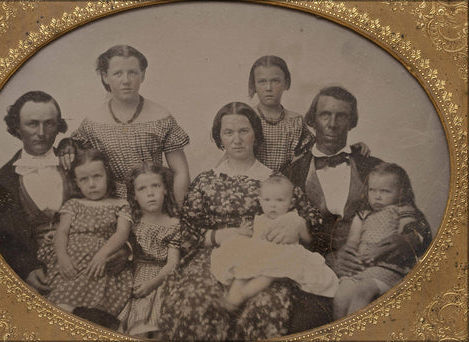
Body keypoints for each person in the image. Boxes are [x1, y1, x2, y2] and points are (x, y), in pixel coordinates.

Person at [160, 102, 330, 341]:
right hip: (211, 258)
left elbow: (316, 221)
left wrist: (298, 225)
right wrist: (216, 236)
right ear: (220, 138)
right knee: (197, 299)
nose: (237, 139)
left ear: (255, 135)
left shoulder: (274, 181)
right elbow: (184, 229)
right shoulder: (206, 180)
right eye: (228, 132)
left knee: (264, 304)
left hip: (263, 260)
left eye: (244, 131)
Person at [286, 86, 432, 322]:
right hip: (315, 278)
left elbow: (419, 223)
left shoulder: (375, 167)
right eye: (325, 115)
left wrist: (408, 238)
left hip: (374, 275)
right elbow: (284, 232)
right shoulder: (292, 172)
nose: (332, 123)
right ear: (313, 119)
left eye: (341, 116)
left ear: (351, 122)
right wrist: (327, 259)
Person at [58, 45, 190, 204]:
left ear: (143, 75)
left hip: (154, 200)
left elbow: (180, 172)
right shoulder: (93, 121)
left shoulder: (161, 117)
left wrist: (180, 214)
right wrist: (67, 144)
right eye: (118, 73)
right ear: (105, 76)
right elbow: (78, 153)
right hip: (112, 202)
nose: (126, 81)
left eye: (132, 73)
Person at [0, 91, 73, 293]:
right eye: (32, 124)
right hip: (32, 283)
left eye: (49, 123)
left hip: (83, 271)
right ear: (17, 127)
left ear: (58, 126)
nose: (41, 132)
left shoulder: (77, 165)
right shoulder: (1, 181)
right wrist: (26, 269)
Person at [211, 174, 339, 310]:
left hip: (283, 255)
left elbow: (307, 238)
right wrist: (244, 232)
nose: (273, 205)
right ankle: (234, 293)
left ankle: (242, 295)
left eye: (279, 200)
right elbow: (254, 237)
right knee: (244, 264)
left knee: (270, 273)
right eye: (267, 200)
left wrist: (301, 228)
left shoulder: (292, 217)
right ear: (260, 202)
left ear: (290, 203)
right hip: (260, 253)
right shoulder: (259, 219)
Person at [43, 148, 132, 329]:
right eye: (84, 179)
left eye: (97, 177)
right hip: (72, 261)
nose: (92, 184)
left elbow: (121, 233)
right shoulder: (73, 204)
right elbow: (62, 232)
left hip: (100, 261)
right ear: (76, 182)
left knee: (95, 300)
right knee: (62, 300)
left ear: (107, 175)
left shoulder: (120, 204)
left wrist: (101, 255)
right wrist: (62, 257)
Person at [333, 162, 428, 319]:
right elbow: (352, 242)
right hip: (361, 267)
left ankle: (354, 332)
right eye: (372, 190)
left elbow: (409, 235)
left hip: (388, 267)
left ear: (400, 192)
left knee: (364, 290)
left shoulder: (403, 211)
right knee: (342, 293)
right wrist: (350, 253)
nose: (377, 196)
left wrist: (408, 237)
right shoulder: (362, 215)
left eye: (385, 191)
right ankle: (338, 332)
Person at [117, 162, 181, 337]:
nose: (150, 193)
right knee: (133, 326)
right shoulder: (130, 215)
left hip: (161, 276)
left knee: (159, 324)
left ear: (166, 189)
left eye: (156, 186)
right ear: (135, 196)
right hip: (133, 271)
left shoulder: (174, 224)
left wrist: (152, 283)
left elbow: (172, 264)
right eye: (142, 189)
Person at [247, 55, 315, 172]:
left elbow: (308, 161)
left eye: (275, 81)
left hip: (287, 184)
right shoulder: (246, 118)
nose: (268, 88)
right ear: (254, 85)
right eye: (262, 81)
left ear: (286, 83)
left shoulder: (296, 121)